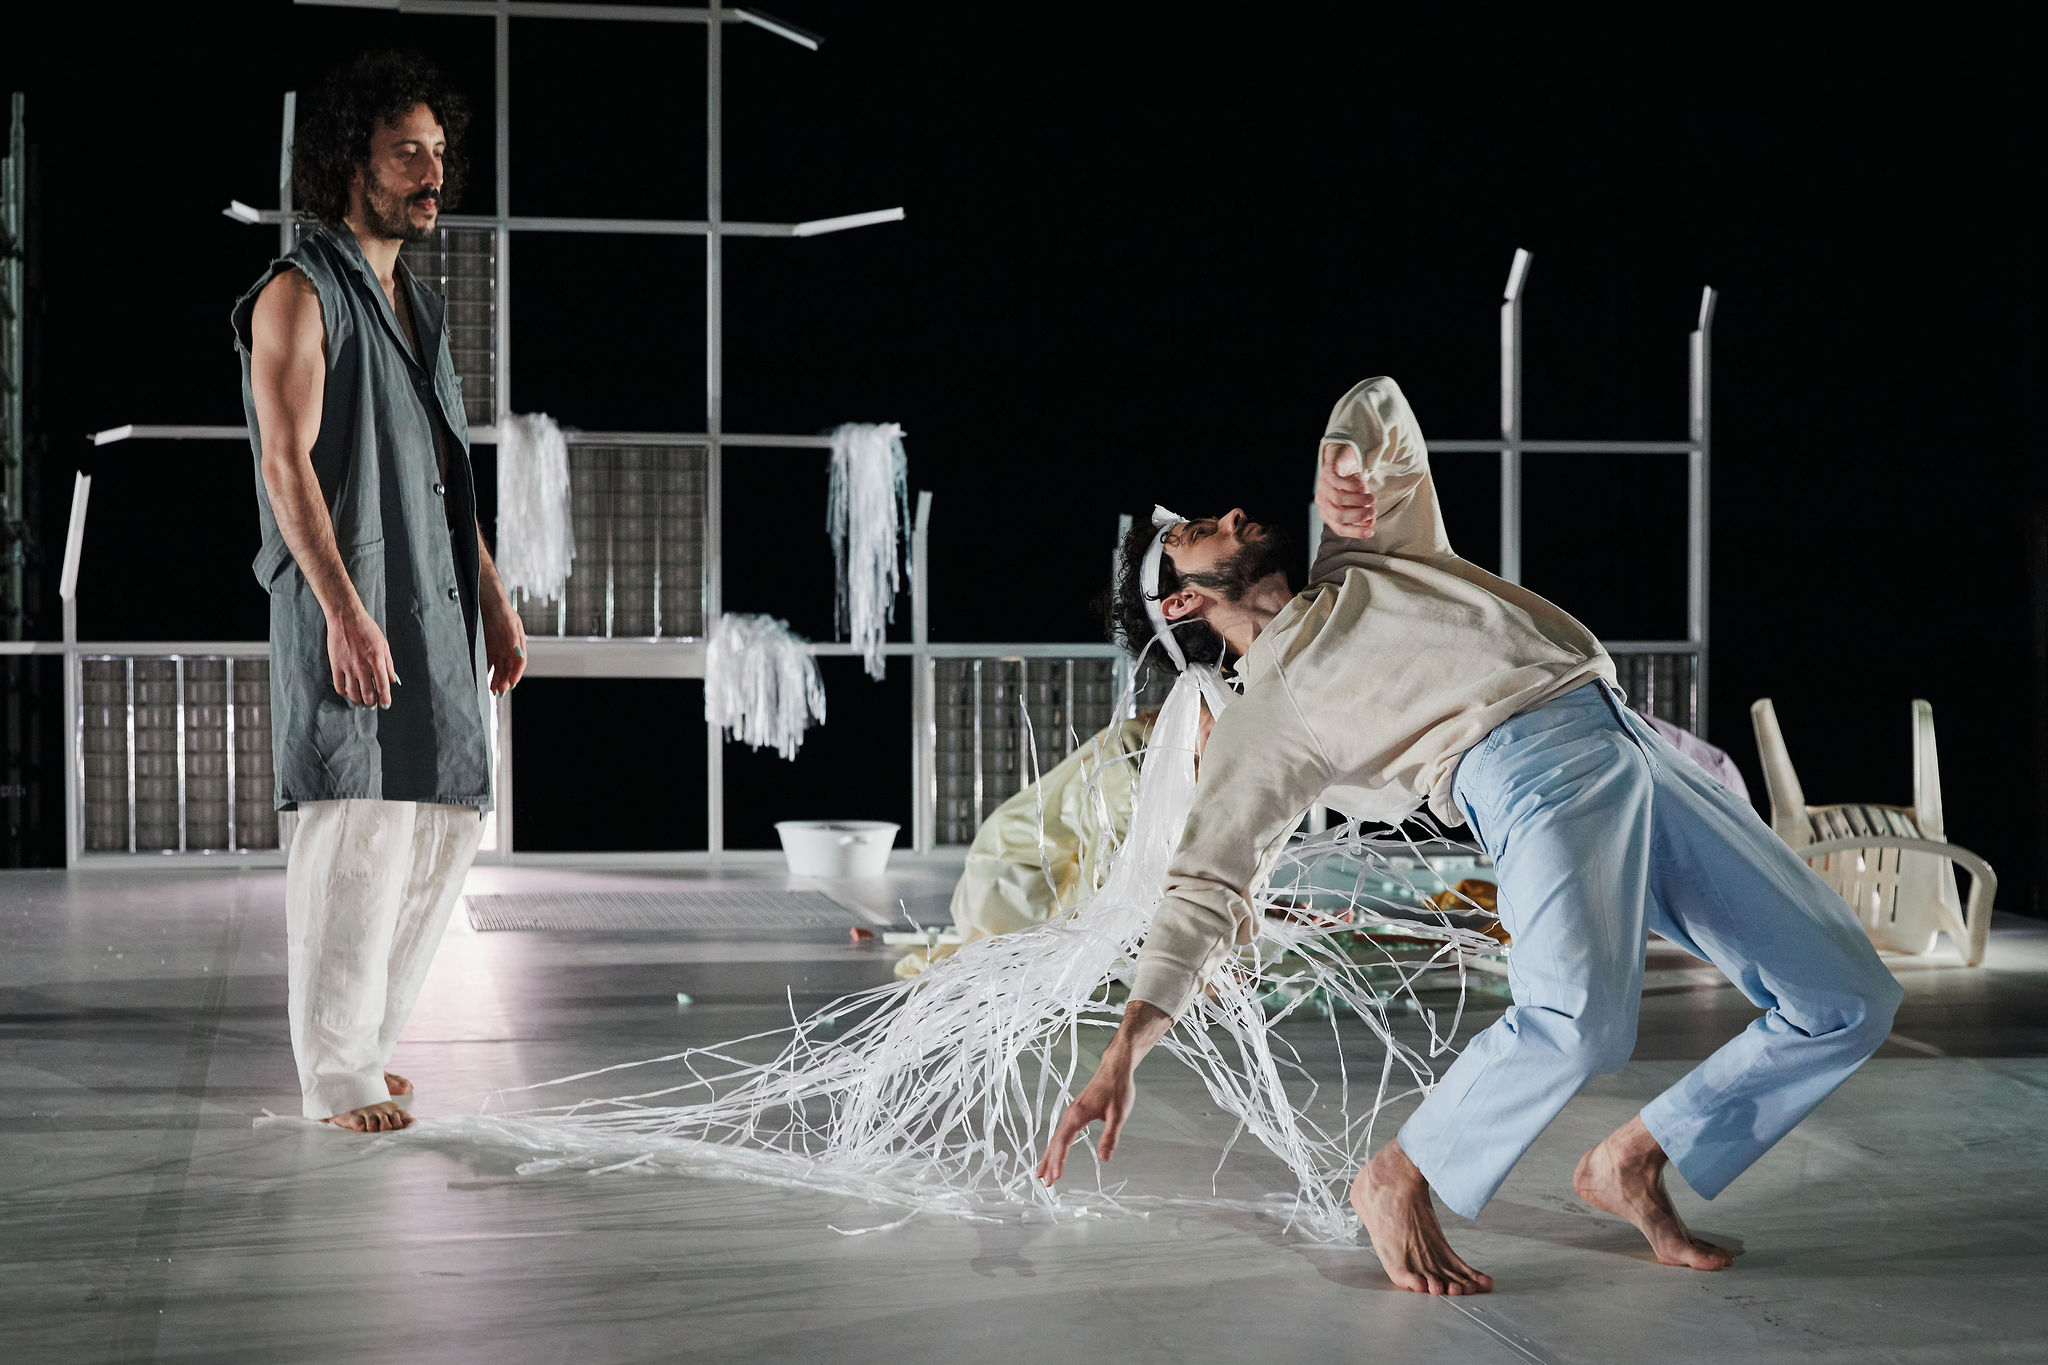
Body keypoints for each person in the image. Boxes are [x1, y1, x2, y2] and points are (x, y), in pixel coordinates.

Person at [1036, 376, 1900, 1295]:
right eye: (1200, 531)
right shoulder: (1269, 717)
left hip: (1628, 742)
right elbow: (1206, 885)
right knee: (1577, 1019)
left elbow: (1383, 407)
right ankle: (1399, 1174)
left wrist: (1344, 452)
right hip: (1530, 771)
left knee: (1847, 995)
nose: (1235, 515)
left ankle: (1636, 1159)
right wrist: (1123, 1052)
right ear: (1180, 602)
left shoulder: (1368, 557)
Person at [232, 51, 529, 1135]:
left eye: (437, 152)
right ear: (348, 161)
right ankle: (335, 1074)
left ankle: (367, 1043)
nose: (431, 173)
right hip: (352, 604)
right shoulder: (298, 292)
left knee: (442, 824)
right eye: (406, 152)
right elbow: (285, 465)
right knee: (355, 830)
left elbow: (445, 471)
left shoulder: (417, 305)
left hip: (432, 602)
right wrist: (343, 611)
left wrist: (491, 595)